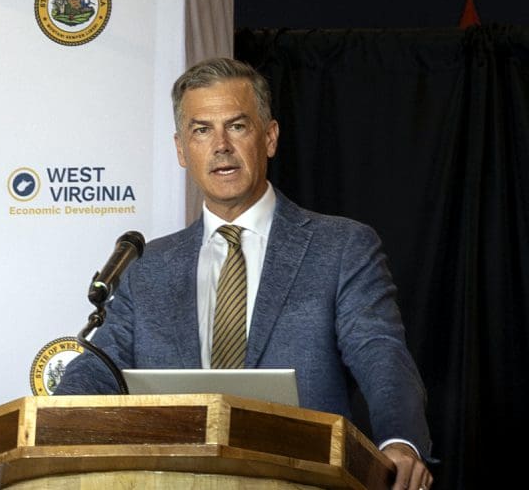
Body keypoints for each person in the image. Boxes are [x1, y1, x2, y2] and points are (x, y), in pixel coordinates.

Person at [55, 57, 434, 490]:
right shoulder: (149, 268)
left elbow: (380, 354)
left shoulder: (341, 247)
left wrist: (400, 441)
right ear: (182, 149)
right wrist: (50, 427)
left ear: (269, 137)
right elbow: (100, 368)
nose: (220, 146)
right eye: (202, 130)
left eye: (237, 126)